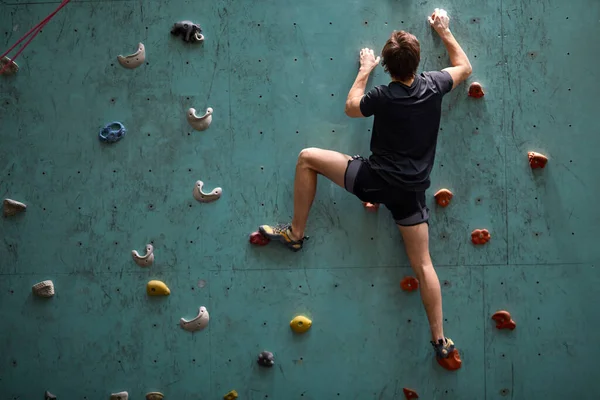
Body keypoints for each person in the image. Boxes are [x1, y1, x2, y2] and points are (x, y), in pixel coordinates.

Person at [257, 8, 472, 369]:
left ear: (388, 68)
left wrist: (364, 68)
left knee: (307, 157)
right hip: (410, 194)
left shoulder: (382, 95)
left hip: (372, 182)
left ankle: (296, 232)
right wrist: (444, 31)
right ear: (417, 62)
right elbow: (464, 68)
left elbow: (351, 107)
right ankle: (440, 341)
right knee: (423, 265)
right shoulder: (434, 84)